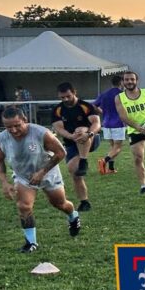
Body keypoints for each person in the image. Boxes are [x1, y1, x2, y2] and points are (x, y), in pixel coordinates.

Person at [0, 107, 81, 253]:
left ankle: (73, 216)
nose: (13, 130)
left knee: (60, 204)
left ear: (25, 121)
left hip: (48, 172)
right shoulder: (1, 139)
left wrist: (42, 172)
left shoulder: (41, 133)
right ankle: (31, 243)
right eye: (9, 127)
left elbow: (61, 153)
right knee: (24, 206)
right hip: (23, 176)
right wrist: (4, 182)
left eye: (17, 125)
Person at [51, 82, 102, 212]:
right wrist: (70, 136)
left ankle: (84, 160)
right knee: (74, 171)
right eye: (62, 98)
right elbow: (58, 128)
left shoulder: (86, 106)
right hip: (71, 144)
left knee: (80, 130)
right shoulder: (58, 110)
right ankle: (84, 202)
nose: (65, 100)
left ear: (74, 92)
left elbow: (96, 123)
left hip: (91, 139)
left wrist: (89, 134)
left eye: (68, 96)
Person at [94, 74, 125, 175]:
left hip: (106, 123)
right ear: (121, 82)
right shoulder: (122, 94)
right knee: (118, 148)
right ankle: (104, 161)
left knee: (112, 147)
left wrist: (102, 111)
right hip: (118, 123)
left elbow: (93, 105)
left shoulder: (104, 94)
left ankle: (111, 169)